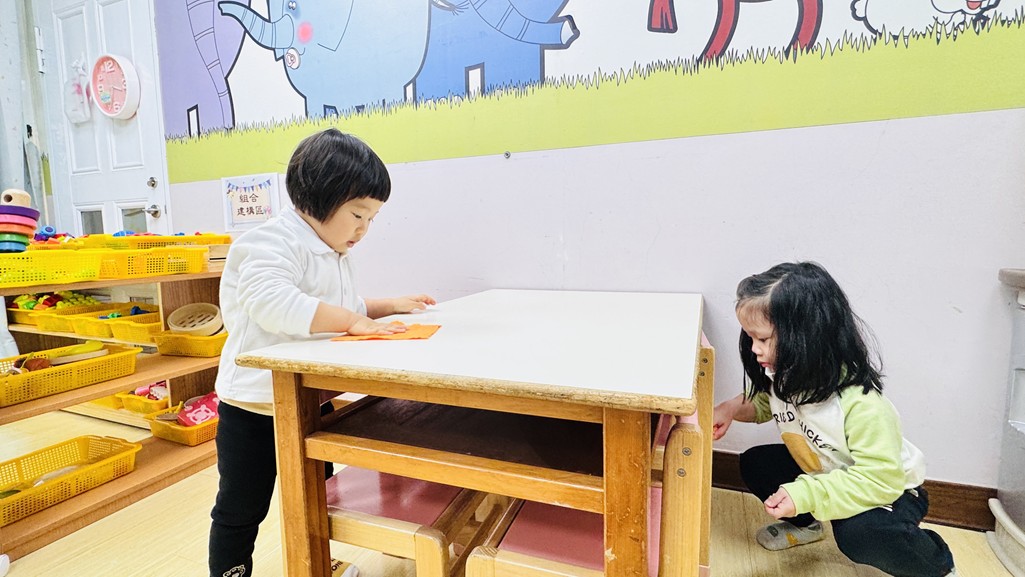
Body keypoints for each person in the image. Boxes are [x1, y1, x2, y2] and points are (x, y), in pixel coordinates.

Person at [208, 128, 436, 577]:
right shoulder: (270, 241)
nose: (364, 229)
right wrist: (351, 321)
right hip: (255, 406)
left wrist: (387, 305)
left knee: (319, 493)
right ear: (319, 198)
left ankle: (315, 562)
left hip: (310, 399)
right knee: (241, 505)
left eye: (372, 218)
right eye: (358, 214)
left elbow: (342, 306)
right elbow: (274, 302)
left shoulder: (331, 251)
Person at [712, 262, 957, 577]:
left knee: (859, 536)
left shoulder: (862, 406)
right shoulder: (786, 375)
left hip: (889, 491)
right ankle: (807, 527)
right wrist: (731, 408)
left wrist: (806, 494)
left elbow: (880, 480)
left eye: (762, 339)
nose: (755, 350)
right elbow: (764, 403)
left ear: (807, 337)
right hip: (828, 471)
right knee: (756, 463)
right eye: (750, 338)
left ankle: (937, 565)